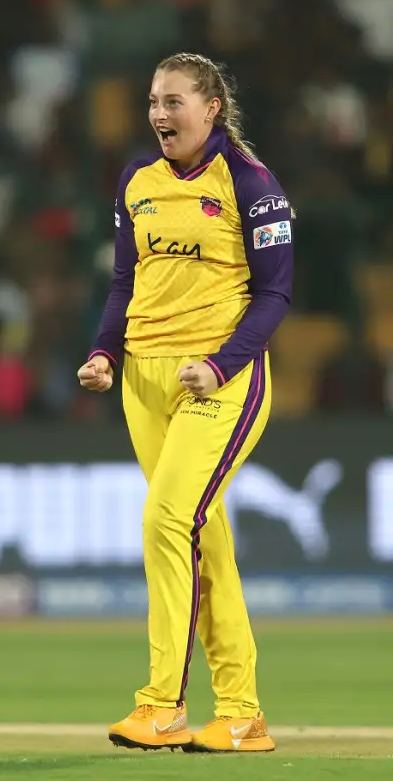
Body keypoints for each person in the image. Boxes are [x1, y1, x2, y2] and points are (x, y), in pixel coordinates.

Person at [78, 53, 293, 753]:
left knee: (168, 519)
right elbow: (124, 281)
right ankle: (241, 714)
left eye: (174, 102)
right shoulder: (137, 182)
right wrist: (107, 352)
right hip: (144, 381)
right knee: (206, 547)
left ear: (212, 110)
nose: (159, 115)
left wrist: (220, 364)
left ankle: (162, 706)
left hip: (222, 381)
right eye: (152, 102)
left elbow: (274, 296)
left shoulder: (252, 186)